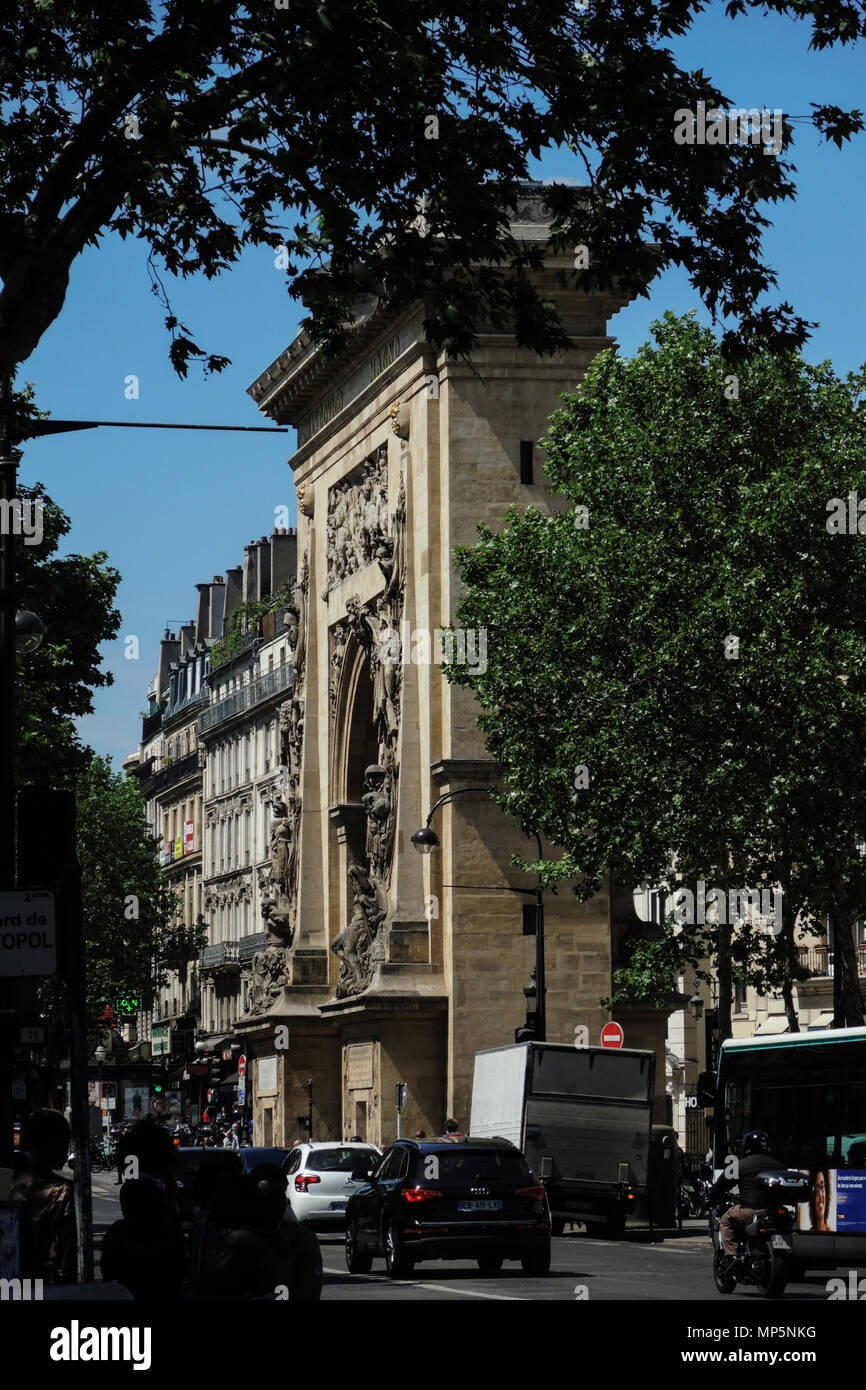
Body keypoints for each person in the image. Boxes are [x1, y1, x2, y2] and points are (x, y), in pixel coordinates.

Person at [11, 1109, 77, 1284]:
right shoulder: (63, 1191)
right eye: (64, 1141)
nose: (66, 1147)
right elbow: (68, 1257)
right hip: (47, 1285)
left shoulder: (10, 1183)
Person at [710, 1129, 785, 1274]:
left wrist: (713, 1193)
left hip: (749, 1211)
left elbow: (722, 1183)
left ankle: (731, 1257)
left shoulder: (741, 1164)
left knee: (726, 1220)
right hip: (773, 1211)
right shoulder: (778, 1164)